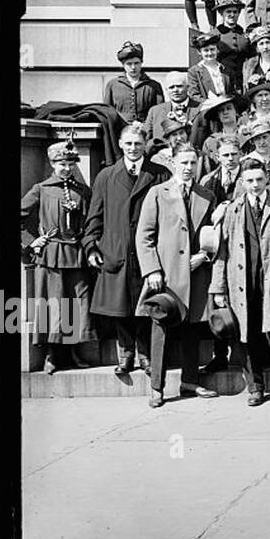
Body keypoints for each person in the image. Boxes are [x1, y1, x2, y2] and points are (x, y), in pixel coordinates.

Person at [209, 158, 270, 406]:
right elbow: (221, 251)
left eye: (259, 180)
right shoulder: (233, 210)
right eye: (249, 180)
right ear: (242, 182)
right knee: (246, 335)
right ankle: (255, 387)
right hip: (241, 281)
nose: (255, 185)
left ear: (268, 180)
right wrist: (219, 288)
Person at [133, 144, 218, 407]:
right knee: (161, 329)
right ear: (173, 163)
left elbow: (212, 234)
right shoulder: (158, 193)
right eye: (183, 162)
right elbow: (144, 236)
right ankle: (156, 388)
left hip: (196, 275)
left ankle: (190, 381)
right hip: (166, 275)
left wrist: (203, 256)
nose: (188, 168)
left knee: (192, 330)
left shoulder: (206, 195)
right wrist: (152, 270)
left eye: (193, 163)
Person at [83, 124, 161, 379]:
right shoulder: (106, 176)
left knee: (144, 306)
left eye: (138, 144)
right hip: (114, 251)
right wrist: (91, 246)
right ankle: (125, 355)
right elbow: (95, 215)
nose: (133, 148)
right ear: (119, 144)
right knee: (120, 307)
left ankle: (145, 354)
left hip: (146, 253)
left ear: (144, 145)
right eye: (128, 144)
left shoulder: (159, 174)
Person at [21, 141, 93, 372]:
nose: (67, 168)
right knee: (53, 303)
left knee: (76, 301)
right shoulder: (41, 189)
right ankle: (51, 354)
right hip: (51, 254)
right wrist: (31, 241)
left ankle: (73, 352)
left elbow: (92, 221)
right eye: (62, 163)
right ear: (52, 164)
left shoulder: (84, 191)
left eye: (71, 163)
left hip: (76, 252)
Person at [104, 41, 164, 126]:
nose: (133, 67)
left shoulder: (154, 86)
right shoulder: (113, 85)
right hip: (120, 131)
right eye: (129, 64)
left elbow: (159, 112)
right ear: (123, 65)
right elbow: (107, 112)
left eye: (136, 63)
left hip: (146, 131)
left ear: (141, 63)